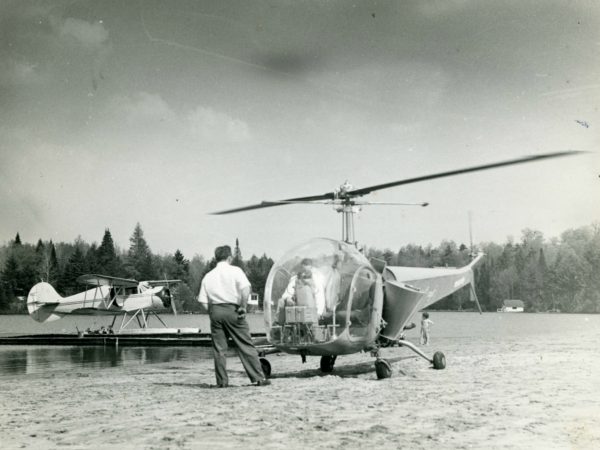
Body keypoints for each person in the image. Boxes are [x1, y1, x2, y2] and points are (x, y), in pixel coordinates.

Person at [199, 245, 270, 387]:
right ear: (229, 257)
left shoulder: (208, 276)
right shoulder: (235, 271)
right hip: (233, 310)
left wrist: (212, 313)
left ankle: (222, 382)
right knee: (245, 345)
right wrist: (243, 306)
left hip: (216, 311)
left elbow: (202, 300)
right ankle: (258, 378)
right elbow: (245, 289)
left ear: (216, 258)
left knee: (219, 349)